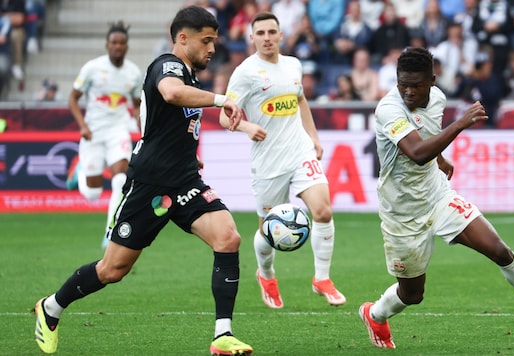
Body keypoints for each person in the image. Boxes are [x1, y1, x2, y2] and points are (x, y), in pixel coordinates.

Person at [34, 6, 253, 355]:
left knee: (227, 237)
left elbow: (171, 119)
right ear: (183, 38)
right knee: (112, 269)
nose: (212, 49)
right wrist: (222, 99)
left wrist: (188, 150)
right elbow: (170, 93)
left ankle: (222, 335)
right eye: (206, 41)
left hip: (184, 180)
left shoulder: (192, 77)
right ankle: (50, 308)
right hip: (149, 186)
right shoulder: (167, 65)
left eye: (214, 41)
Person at [358, 47, 514, 349]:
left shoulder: (436, 100)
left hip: (437, 195)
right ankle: (375, 314)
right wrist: (459, 125)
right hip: (401, 212)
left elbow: (426, 141)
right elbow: (415, 151)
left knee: (499, 250)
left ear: (432, 81)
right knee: (412, 295)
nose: (409, 92)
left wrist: (439, 159)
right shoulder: (389, 109)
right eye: (403, 84)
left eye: (416, 85)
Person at [219, 12, 346, 309]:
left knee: (323, 211)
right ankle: (266, 274)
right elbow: (226, 115)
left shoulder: (293, 65)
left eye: (271, 32)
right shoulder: (245, 72)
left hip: (299, 151)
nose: (266, 37)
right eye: (260, 33)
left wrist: (313, 137)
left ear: (280, 35)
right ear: (251, 38)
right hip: (268, 162)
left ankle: (322, 278)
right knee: (267, 229)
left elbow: (300, 99)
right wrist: (247, 126)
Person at [67, 21, 143, 249]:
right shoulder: (92, 68)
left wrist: (142, 129)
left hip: (118, 129)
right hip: (93, 133)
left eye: (122, 43)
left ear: (127, 46)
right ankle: (80, 170)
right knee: (92, 193)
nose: (118, 46)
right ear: (107, 45)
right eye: (114, 43)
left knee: (121, 179)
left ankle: (110, 232)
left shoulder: (133, 72)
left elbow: (137, 104)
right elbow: (72, 98)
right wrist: (82, 126)